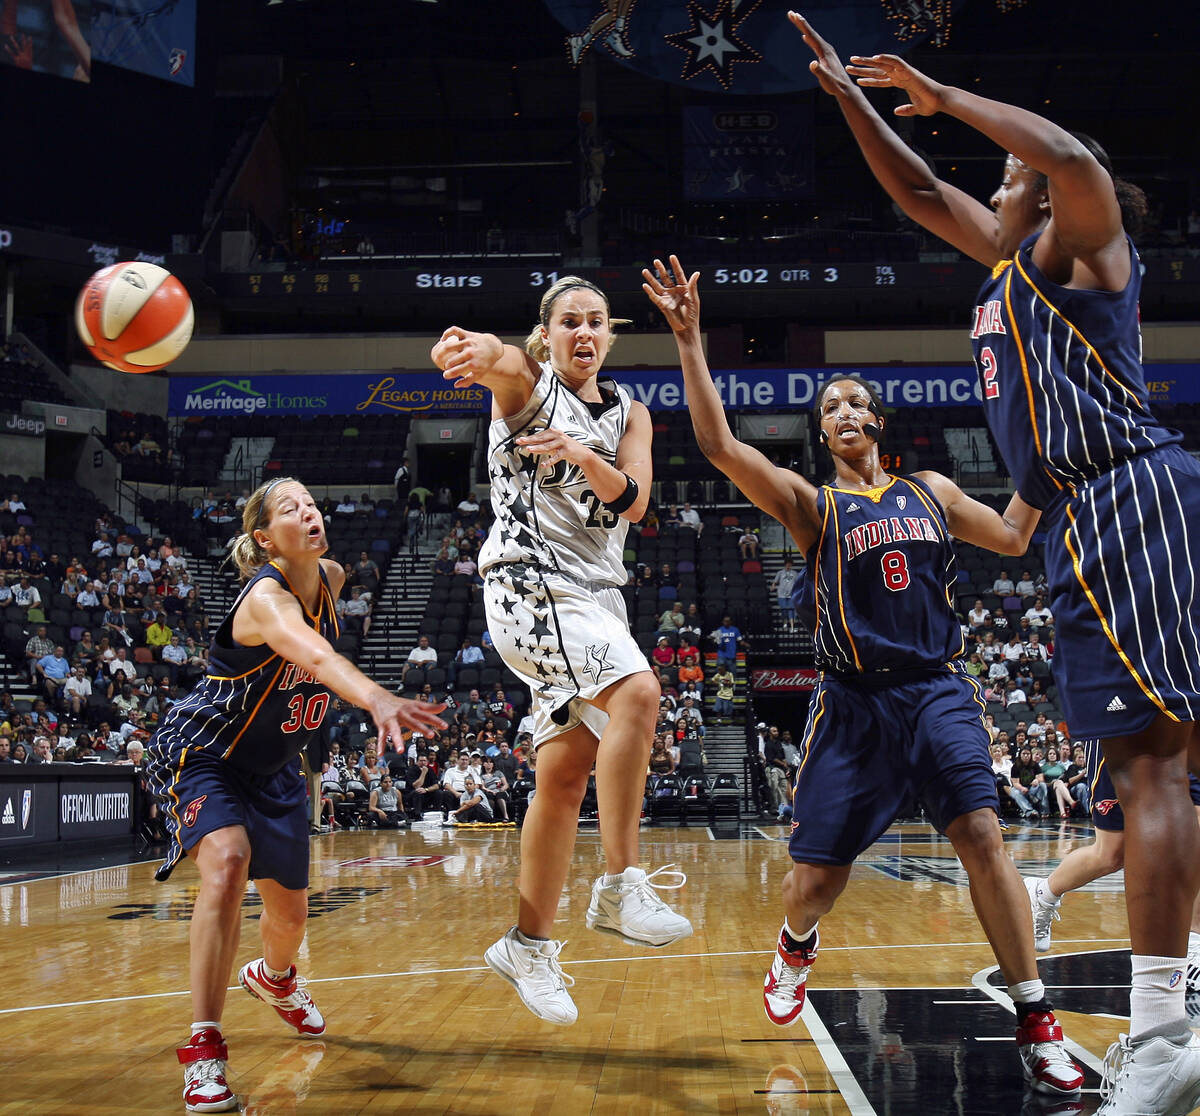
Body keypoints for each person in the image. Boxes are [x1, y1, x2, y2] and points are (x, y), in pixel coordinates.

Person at [792, 14, 1200, 1110]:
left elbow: (1072, 158)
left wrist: (942, 88)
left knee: (1151, 769)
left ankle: (1164, 1034)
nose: (1001, 178)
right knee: (1157, 765)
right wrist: (852, 102)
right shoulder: (1010, 267)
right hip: (1089, 512)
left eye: (1010, 172)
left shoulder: (1085, 250)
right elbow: (921, 194)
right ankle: (1176, 1012)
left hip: (1123, 493)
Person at [644, 253, 1079, 1097]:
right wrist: (691, 340)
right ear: (823, 434)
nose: (842, 412)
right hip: (851, 705)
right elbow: (718, 443)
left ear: (877, 422)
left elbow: (1017, 536)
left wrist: (1043, 453)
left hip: (938, 688)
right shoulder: (814, 506)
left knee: (982, 836)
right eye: (828, 407)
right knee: (816, 882)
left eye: (853, 402)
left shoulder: (933, 490)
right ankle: (795, 948)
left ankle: (1035, 1017)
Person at [432, 274, 691, 1027]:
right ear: (547, 335)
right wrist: (475, 350)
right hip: (529, 582)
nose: (583, 332)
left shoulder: (631, 413)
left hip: (596, 597)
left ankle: (528, 945)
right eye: (569, 321)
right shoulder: (532, 387)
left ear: (610, 336)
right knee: (640, 693)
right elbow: (504, 363)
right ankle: (619, 885)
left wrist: (580, 453)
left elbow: (635, 501)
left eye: (597, 322)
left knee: (564, 775)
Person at [144, 477, 446, 1113]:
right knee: (226, 864)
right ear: (263, 538)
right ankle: (204, 1047)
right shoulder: (265, 602)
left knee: (289, 918)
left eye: (311, 504)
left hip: (277, 769)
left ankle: (275, 980)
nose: (308, 513)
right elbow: (314, 655)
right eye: (290, 509)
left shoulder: (331, 577)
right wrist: (377, 697)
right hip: (207, 756)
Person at [772, 557, 799, 633]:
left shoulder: (794, 573)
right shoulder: (780, 573)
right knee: (784, 610)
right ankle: (785, 623)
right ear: (785, 564)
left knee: (791, 611)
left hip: (791, 594)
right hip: (781, 594)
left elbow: (798, 582)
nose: (788, 566)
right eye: (787, 564)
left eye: (790, 564)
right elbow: (775, 581)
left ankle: (792, 627)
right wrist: (773, 586)